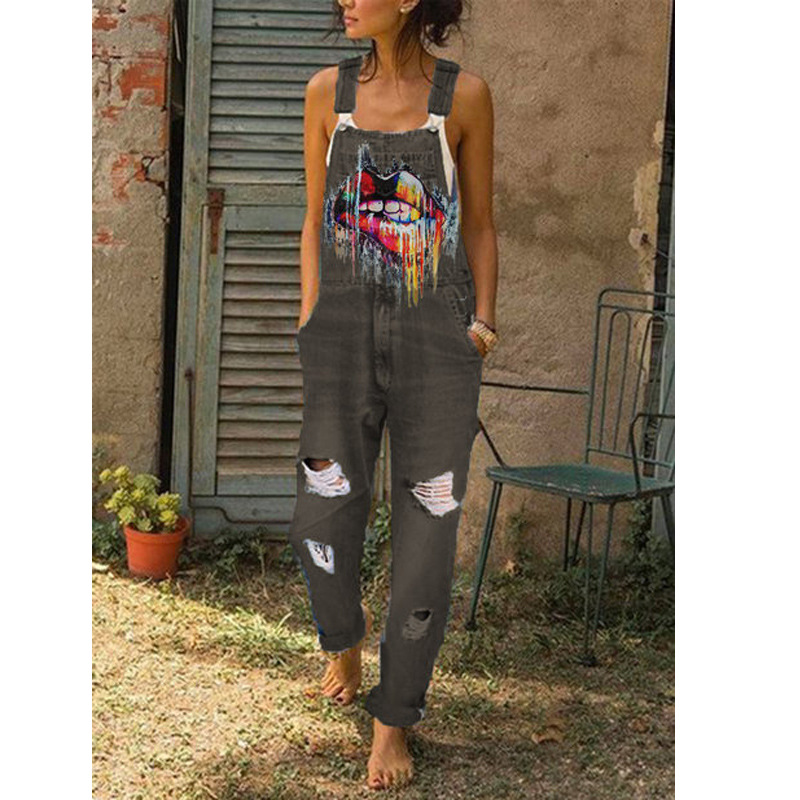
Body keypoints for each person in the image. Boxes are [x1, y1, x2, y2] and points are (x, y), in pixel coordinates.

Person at [288, 0, 499, 790]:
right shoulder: (327, 94)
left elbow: (480, 224)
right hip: (339, 337)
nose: (343, 0)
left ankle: (394, 719)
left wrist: (482, 320)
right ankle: (343, 635)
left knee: (427, 535)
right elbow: (314, 220)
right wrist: (311, 315)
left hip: (436, 345)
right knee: (319, 515)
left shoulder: (464, 98)